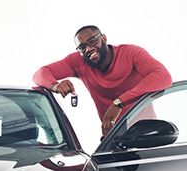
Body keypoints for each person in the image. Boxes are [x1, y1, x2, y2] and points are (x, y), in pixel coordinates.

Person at [33, 25, 172, 137]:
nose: (88, 49)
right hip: (113, 137)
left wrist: (118, 103)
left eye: (92, 41)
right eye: (82, 47)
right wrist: (55, 85)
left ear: (104, 38)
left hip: (146, 133)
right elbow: (40, 73)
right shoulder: (78, 61)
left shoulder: (130, 53)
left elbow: (163, 77)